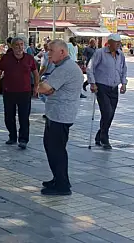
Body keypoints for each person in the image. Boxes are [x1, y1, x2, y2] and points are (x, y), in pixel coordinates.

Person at [38, 39, 83, 196]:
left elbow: (44, 88)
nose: (48, 54)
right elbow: (47, 88)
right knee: (52, 148)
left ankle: (62, 185)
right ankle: (58, 178)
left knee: (56, 150)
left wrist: (44, 85)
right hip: (56, 114)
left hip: (61, 115)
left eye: (51, 51)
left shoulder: (66, 68)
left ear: (62, 52)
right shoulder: (62, 67)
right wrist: (46, 86)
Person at [0, 36, 39, 149]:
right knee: (9, 116)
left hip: (25, 91)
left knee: (24, 117)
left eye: (21, 45)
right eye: (17, 45)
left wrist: (36, 87)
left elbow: (35, 73)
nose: (19, 47)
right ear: (12, 46)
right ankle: (12, 136)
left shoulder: (29, 58)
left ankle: (23, 139)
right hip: (9, 91)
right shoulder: (6, 58)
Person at [86, 33, 128, 150]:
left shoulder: (120, 55)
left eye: (120, 42)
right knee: (107, 112)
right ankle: (104, 138)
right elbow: (90, 68)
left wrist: (124, 83)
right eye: (116, 42)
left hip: (114, 87)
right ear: (109, 43)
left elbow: (124, 69)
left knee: (111, 113)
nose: (119, 45)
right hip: (102, 86)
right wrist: (92, 83)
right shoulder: (100, 53)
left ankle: (100, 135)